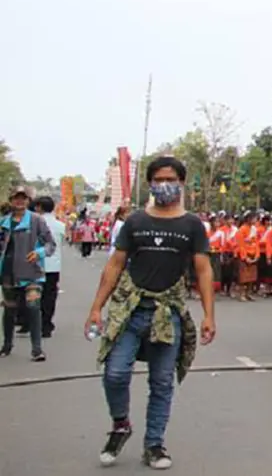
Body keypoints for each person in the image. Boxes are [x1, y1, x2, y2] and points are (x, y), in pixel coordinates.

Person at [86, 156, 215, 469]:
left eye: (170, 179)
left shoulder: (192, 225)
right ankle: (121, 424)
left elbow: (203, 269)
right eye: (158, 180)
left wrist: (209, 315)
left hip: (168, 314)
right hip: (130, 312)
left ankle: (154, 445)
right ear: (149, 184)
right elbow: (115, 265)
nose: (164, 185)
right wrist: (96, 307)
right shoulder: (135, 222)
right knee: (115, 373)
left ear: (181, 183)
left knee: (162, 382)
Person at [0, 185, 55, 360]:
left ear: (28, 201)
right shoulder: (4, 223)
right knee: (9, 310)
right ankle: (6, 345)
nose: (19, 201)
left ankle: (37, 350)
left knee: (33, 307)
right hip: (8, 272)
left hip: (32, 273)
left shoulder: (37, 220)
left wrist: (39, 253)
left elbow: (50, 244)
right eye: (16, 198)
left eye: (23, 198)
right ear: (11, 200)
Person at [33, 195, 65, 338]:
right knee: (50, 296)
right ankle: (46, 324)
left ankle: (35, 323)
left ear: (39, 207)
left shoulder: (34, 223)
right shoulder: (60, 225)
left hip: (36, 264)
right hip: (53, 266)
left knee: (34, 295)